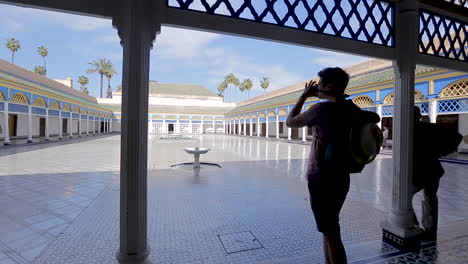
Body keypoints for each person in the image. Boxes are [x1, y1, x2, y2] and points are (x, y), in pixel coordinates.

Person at [286, 67, 379, 264]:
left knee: (331, 233)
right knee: (329, 229)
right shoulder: (350, 109)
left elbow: (290, 122)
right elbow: (374, 118)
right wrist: (346, 104)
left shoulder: (320, 110)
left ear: (329, 86)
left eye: (319, 83)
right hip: (341, 176)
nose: (317, 86)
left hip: (321, 178)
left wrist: (303, 97)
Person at [412, 106, 462, 240]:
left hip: (423, 170)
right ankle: (430, 230)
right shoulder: (430, 128)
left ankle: (416, 227)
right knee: (430, 197)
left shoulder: (412, 129)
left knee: (404, 196)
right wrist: (441, 152)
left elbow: (457, 136)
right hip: (433, 169)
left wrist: (441, 152)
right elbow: (457, 136)